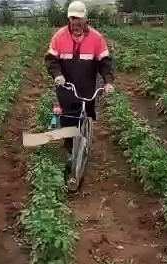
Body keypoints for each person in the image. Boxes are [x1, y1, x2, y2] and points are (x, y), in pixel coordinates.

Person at [44, 0, 114, 176]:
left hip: (87, 87)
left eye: (79, 19)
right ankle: (70, 153)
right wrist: (57, 74)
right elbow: (51, 60)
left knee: (86, 116)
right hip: (66, 87)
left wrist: (107, 81)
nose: (76, 23)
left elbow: (104, 62)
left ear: (85, 20)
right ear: (69, 19)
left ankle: (83, 142)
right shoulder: (59, 36)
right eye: (73, 19)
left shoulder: (96, 38)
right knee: (68, 120)